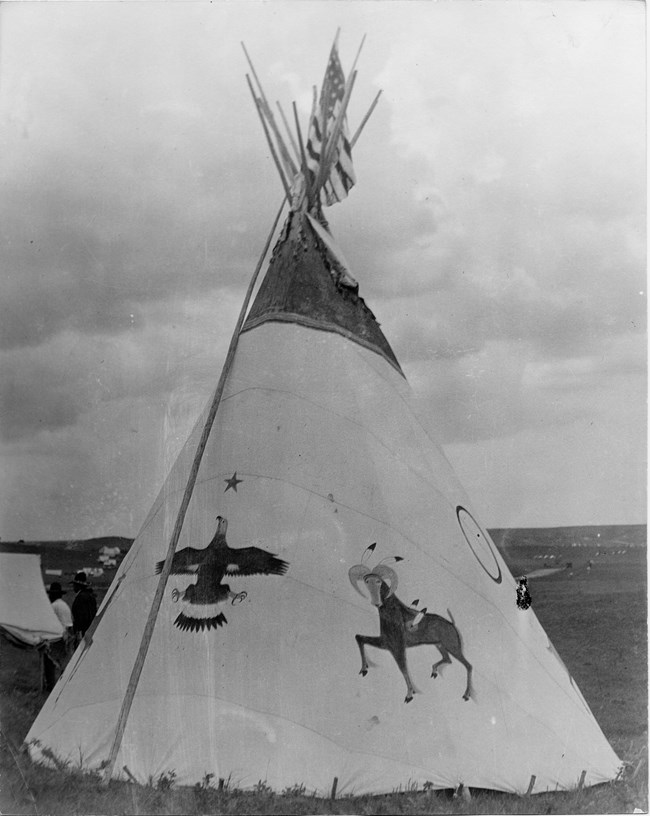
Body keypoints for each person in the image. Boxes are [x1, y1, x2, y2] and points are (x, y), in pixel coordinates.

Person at [43, 582, 73, 691]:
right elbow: (69, 625)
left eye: (51, 594)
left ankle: (50, 686)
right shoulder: (65, 605)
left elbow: (48, 623)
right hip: (66, 637)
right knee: (63, 662)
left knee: (49, 661)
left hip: (57, 638)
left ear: (53, 595)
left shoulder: (54, 606)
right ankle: (63, 686)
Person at [71, 572, 97, 642]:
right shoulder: (90, 596)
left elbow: (82, 617)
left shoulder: (81, 598)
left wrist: (79, 631)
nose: (73, 587)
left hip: (84, 631)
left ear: (78, 586)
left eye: (74, 585)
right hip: (92, 628)